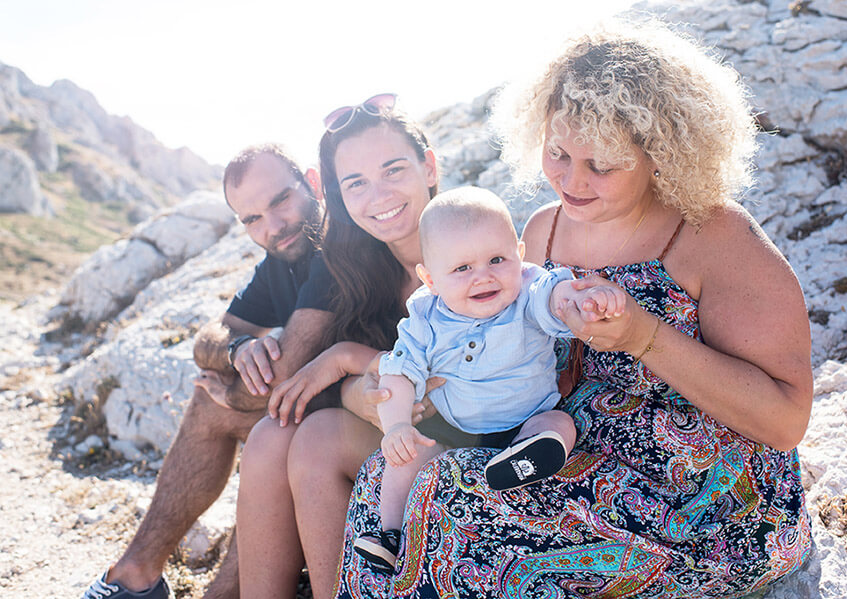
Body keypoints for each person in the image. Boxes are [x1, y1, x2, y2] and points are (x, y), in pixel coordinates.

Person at [327, 17, 814, 598]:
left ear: (661, 152)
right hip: (565, 452)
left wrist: (645, 337)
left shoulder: (715, 236)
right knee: (397, 478)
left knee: (458, 516)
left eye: (601, 165)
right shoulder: (541, 230)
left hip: (700, 500)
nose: (571, 181)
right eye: (557, 153)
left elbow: (786, 420)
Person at [81, 144, 337, 599]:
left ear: (313, 183)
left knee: (272, 432)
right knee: (225, 409)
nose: (272, 227)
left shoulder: (337, 247)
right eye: (252, 219)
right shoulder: (282, 259)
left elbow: (278, 383)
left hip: (372, 428)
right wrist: (238, 348)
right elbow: (210, 337)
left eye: (280, 201)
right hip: (310, 413)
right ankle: (135, 574)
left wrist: (233, 396)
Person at [350, 186, 630, 571]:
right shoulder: (425, 316)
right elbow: (399, 373)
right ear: (430, 279)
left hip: (527, 416)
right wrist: (396, 425)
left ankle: (529, 457)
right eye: (462, 269)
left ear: (519, 254)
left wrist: (580, 300)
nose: (483, 277)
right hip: (453, 430)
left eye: (497, 259)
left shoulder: (528, 291)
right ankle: (389, 533)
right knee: (405, 458)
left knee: (559, 423)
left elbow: (556, 296)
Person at [234, 95, 443, 598]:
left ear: (429, 167)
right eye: (355, 183)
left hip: (476, 439)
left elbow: (443, 387)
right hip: (408, 438)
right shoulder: (358, 263)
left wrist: (347, 360)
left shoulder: (469, 240)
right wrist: (352, 386)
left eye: (393, 170)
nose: (378, 195)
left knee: (320, 437)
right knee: (270, 436)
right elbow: (332, 386)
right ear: (339, 196)